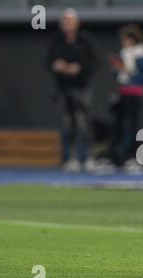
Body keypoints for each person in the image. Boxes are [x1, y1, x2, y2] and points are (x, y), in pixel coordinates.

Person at [47, 8, 99, 173]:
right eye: (65, 21)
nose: (67, 24)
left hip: (81, 87)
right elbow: (49, 61)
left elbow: (93, 63)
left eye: (70, 21)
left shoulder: (85, 41)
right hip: (64, 88)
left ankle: (89, 158)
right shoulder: (57, 41)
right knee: (67, 125)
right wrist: (57, 65)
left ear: (77, 23)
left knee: (84, 123)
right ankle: (70, 158)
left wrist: (79, 68)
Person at [109, 24, 143, 173]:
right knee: (118, 126)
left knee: (133, 126)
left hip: (135, 94)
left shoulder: (142, 54)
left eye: (128, 38)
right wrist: (117, 70)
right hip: (123, 92)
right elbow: (119, 76)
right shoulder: (123, 53)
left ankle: (134, 157)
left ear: (134, 39)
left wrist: (130, 72)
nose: (125, 41)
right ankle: (115, 158)